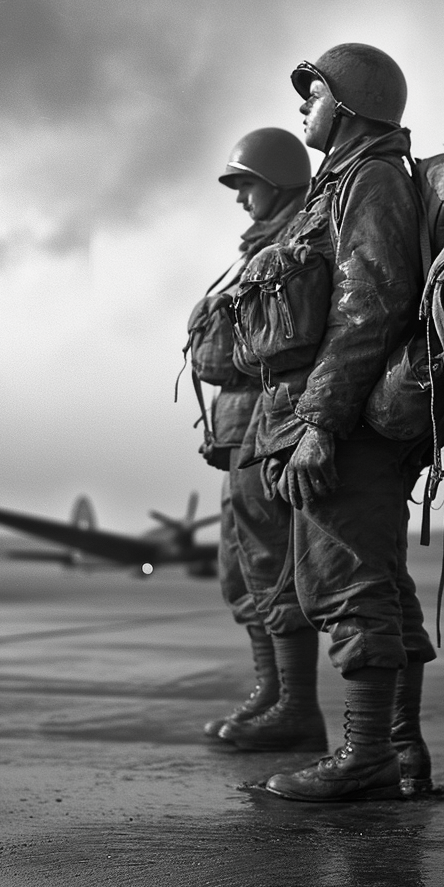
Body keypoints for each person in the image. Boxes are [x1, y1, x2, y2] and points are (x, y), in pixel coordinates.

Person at [237, 44, 437, 801]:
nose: (301, 107)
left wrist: (319, 420)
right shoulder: (343, 183)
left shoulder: (370, 180)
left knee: (349, 584)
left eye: (313, 93)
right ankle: (396, 749)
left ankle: (367, 759)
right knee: (364, 579)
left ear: (349, 105)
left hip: (345, 421)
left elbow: (368, 307)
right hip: (334, 413)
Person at [190, 127, 326, 753]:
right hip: (240, 431)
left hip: (270, 425)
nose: (241, 198)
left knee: (271, 565)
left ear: (275, 183)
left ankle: (295, 705)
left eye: (247, 185)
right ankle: (271, 695)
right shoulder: (257, 248)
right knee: (240, 571)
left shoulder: (298, 240)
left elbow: (283, 340)